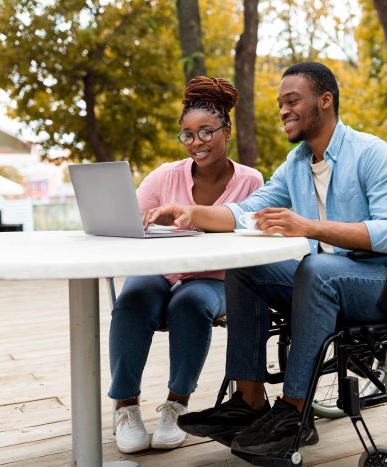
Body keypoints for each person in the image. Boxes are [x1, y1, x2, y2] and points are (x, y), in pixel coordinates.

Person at [144, 62, 387, 456]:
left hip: (377, 282)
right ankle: (249, 401)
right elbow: (245, 211)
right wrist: (187, 211)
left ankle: (295, 412)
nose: (283, 111)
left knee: (316, 267)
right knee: (246, 263)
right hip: (319, 280)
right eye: (279, 104)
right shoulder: (296, 165)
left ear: (325, 100)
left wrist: (310, 228)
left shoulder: (371, 152)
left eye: (292, 101)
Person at [109, 76, 264, 453]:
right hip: (163, 270)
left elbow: (253, 234)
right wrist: (148, 220)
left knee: (190, 304)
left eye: (206, 132)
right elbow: (127, 219)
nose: (197, 142)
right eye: (188, 135)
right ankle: (126, 408)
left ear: (227, 130)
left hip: (214, 279)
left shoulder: (250, 181)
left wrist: (195, 218)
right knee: (134, 298)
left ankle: (176, 407)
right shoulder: (165, 175)